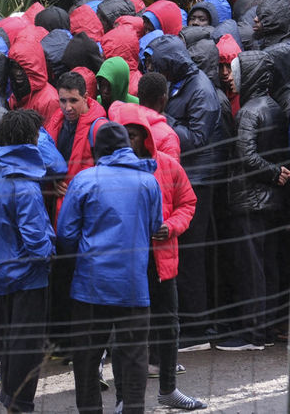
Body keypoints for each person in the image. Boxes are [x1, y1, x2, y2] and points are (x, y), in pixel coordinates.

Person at [57, 121, 163, 414]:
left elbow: (65, 233)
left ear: (97, 150)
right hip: (133, 285)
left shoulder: (84, 180)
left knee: (87, 357)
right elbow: (155, 225)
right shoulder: (148, 181)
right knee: (135, 356)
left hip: (91, 284)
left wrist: (82, 256)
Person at [109, 103, 203, 410]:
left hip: (161, 260)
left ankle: (168, 390)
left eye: (135, 135)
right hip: (127, 263)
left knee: (168, 325)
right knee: (125, 331)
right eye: (125, 135)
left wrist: (171, 226)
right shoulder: (109, 171)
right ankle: (123, 398)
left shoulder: (166, 165)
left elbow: (187, 202)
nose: (130, 141)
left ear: (145, 136)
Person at [0, 110, 57, 413]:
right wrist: (49, 253)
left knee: (9, 338)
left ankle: (9, 397)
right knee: (27, 344)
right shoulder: (25, 184)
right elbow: (35, 239)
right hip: (30, 275)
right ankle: (20, 403)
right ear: (31, 139)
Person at [146, 35, 223, 350]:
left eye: (159, 66)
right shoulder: (182, 82)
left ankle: (196, 327)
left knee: (191, 255)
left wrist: (163, 120)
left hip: (199, 179)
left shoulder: (200, 89)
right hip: (186, 175)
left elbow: (197, 137)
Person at [221, 49, 290, 350]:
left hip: (250, 199)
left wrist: (273, 172)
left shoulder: (249, 112)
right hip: (271, 200)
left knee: (251, 268)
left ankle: (253, 333)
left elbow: (247, 156)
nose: (231, 78)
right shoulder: (273, 106)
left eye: (236, 72)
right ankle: (267, 326)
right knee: (267, 265)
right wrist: (276, 173)